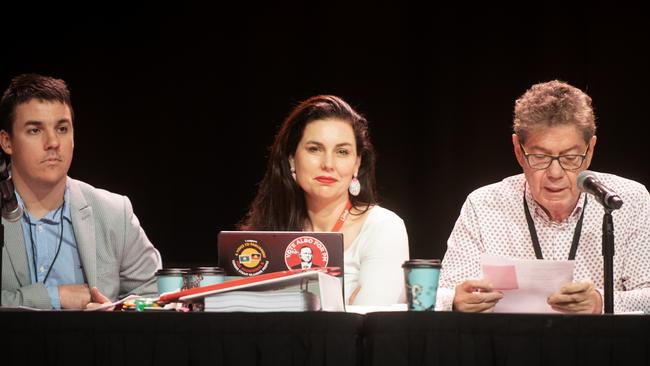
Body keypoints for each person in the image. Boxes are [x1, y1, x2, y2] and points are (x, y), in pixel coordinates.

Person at [438, 80, 650, 314]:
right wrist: (456, 301)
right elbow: (444, 292)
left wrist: (602, 303)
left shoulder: (628, 200)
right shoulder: (484, 205)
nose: (555, 174)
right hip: (508, 346)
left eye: (570, 157)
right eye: (540, 157)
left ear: (590, 150)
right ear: (519, 151)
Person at [0, 73, 162, 309]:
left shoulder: (114, 212)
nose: (53, 142)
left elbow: (154, 295)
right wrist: (54, 298)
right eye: (35, 130)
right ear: (7, 142)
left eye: (62, 128)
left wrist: (112, 314)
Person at [240, 95, 409, 305]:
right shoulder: (269, 228)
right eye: (315, 149)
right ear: (291, 158)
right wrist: (344, 304)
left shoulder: (383, 227)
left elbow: (371, 319)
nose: (328, 164)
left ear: (356, 164)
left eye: (342, 152)